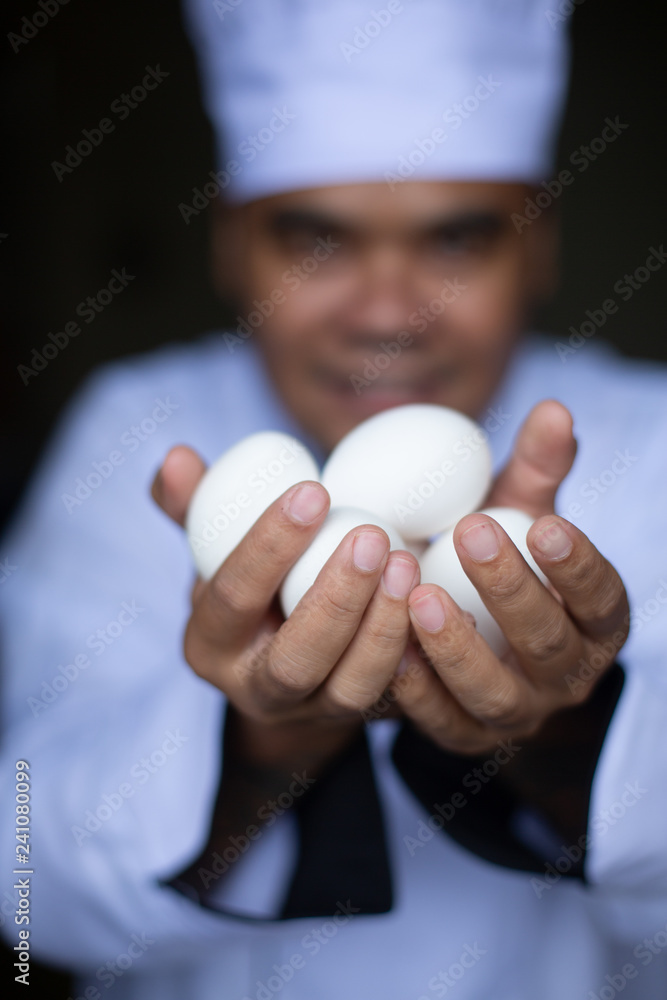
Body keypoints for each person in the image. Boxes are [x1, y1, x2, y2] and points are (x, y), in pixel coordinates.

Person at [2, 1, 667, 997]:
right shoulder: (138, 433)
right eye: (316, 238)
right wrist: (268, 735)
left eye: (456, 239)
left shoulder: (647, 441)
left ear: (538, 245)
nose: (387, 312)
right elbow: (23, 887)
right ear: (231, 244)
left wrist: (563, 732)